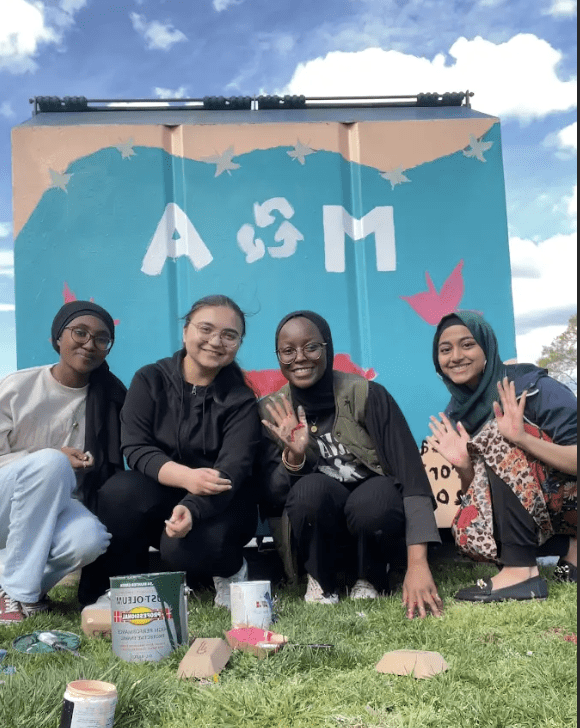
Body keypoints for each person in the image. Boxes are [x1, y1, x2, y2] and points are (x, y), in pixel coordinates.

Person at [79, 295, 261, 609]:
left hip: (224, 499)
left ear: (238, 343)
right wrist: (186, 477)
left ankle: (232, 570)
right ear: (186, 331)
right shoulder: (150, 379)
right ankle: (117, 589)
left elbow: (233, 468)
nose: (216, 341)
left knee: (179, 549)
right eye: (206, 329)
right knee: (119, 491)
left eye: (229, 335)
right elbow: (135, 448)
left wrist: (192, 506)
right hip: (166, 491)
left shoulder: (241, 399)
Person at [259, 311, 443, 619]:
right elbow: (271, 496)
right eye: (288, 351)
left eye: (311, 347)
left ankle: (370, 577)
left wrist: (418, 565)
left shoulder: (366, 394)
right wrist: (294, 457)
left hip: (373, 527)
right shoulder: (273, 410)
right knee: (309, 490)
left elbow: (412, 479)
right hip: (322, 533)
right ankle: (321, 581)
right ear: (279, 356)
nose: (300, 358)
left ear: (327, 348)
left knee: (375, 497)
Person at [428, 312, 577, 602]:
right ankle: (570, 561)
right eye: (445, 350)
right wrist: (464, 467)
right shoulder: (458, 412)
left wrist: (520, 437)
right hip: (544, 507)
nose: (456, 356)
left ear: (487, 348)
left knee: (498, 433)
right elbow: (483, 493)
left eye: (467, 345)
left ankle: (521, 573)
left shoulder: (532, 387)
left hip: (568, 498)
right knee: (466, 527)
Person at [0, 301, 126, 622]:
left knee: (91, 539)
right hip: (5, 502)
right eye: (79, 333)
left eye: (101, 339)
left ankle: (16, 591)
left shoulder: (110, 397)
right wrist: (49, 456)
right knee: (52, 465)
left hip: (53, 509)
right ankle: (18, 593)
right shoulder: (18, 387)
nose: (89, 344)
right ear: (58, 337)